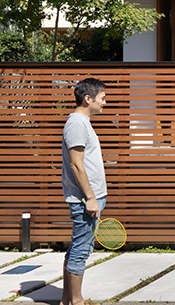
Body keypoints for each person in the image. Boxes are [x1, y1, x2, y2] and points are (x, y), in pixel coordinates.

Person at [60, 78, 108, 305]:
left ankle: (67, 300)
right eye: (102, 98)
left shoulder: (82, 122)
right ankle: (77, 302)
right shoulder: (77, 124)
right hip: (85, 200)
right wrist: (90, 198)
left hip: (89, 198)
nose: (104, 103)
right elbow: (76, 165)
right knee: (80, 251)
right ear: (88, 99)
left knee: (76, 249)